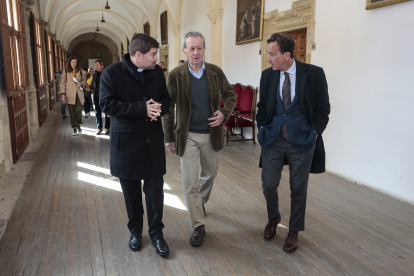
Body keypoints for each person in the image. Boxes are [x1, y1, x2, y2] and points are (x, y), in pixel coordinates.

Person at [256, 33, 330, 253]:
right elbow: (262, 107)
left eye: (272, 54)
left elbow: (323, 109)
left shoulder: (314, 74)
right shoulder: (267, 76)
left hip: (302, 140)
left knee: (298, 188)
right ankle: (273, 217)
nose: (268, 58)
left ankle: (294, 230)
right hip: (273, 139)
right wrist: (262, 127)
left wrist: (314, 133)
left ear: (286, 55)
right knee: (268, 184)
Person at [99, 33, 171, 258]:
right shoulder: (111, 73)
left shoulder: (157, 71)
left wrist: (159, 108)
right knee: (131, 195)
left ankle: (157, 233)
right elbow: (106, 104)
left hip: (152, 144)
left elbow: (166, 99)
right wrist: (142, 109)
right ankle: (135, 233)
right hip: (126, 145)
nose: (156, 59)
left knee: (155, 194)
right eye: (152, 55)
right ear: (137, 54)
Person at [163, 31, 236, 247]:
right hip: (187, 136)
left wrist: (224, 112)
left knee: (210, 174)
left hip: (211, 133)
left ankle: (200, 202)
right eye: (191, 48)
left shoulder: (215, 72)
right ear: (184, 50)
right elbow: (169, 109)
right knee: (190, 183)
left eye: (199, 48)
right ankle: (198, 225)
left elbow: (231, 95)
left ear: (204, 49)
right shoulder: (176, 75)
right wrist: (169, 136)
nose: (196, 52)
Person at [60, 56, 86, 136]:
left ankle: (78, 124)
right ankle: (75, 127)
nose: (74, 64)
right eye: (72, 62)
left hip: (79, 93)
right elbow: (63, 82)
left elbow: (84, 81)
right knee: (72, 112)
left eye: (75, 62)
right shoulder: (65, 71)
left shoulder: (81, 71)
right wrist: (63, 94)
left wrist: (81, 83)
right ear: (69, 63)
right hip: (69, 94)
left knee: (78, 110)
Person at [87, 60, 110, 134]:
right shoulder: (95, 74)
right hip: (97, 96)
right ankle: (99, 127)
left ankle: (107, 127)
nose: (96, 67)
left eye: (97, 65)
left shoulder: (108, 73)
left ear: (102, 66)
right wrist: (89, 87)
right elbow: (92, 83)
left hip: (106, 96)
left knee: (107, 112)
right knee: (97, 112)